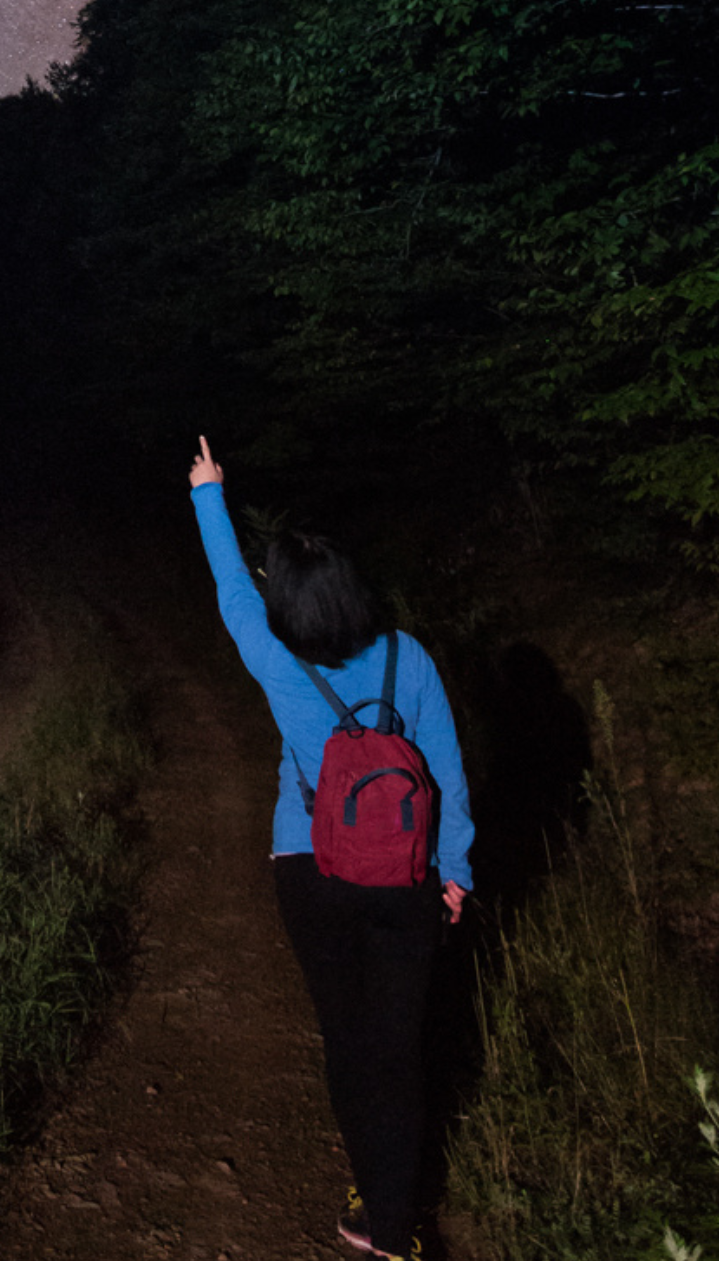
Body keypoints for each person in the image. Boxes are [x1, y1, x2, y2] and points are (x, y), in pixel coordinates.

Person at [188, 434, 473, 1261]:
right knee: (400, 1047)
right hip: (405, 877)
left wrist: (210, 491)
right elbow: (446, 773)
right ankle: (394, 1226)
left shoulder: (276, 659)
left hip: (309, 870)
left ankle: (371, 1192)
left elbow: (231, 588)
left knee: (348, 1041)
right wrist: (454, 870)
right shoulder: (405, 658)